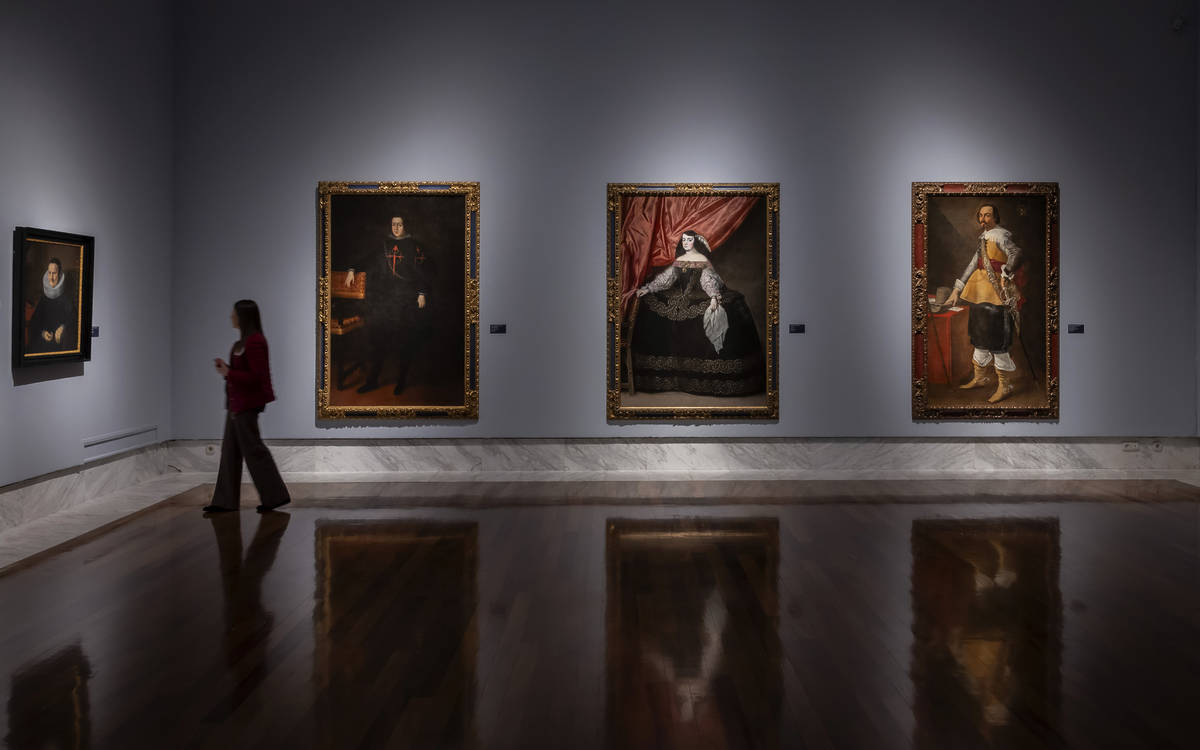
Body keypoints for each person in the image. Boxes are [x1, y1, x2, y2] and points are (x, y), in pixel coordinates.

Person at [631, 230, 765, 396]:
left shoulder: (702, 259)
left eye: (689, 240)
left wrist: (714, 297)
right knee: (649, 302)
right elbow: (667, 279)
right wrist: (649, 288)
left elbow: (707, 280)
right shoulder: (680, 260)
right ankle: (670, 373)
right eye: (684, 240)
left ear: (695, 242)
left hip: (699, 294)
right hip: (679, 296)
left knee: (726, 307)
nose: (686, 243)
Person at [203, 299, 291, 514]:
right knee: (230, 452)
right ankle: (225, 501)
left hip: (246, 405)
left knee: (254, 451)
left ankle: (275, 496)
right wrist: (227, 371)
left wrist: (229, 373)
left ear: (243, 317)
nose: (231, 317)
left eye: (234, 314)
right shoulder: (241, 343)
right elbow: (244, 373)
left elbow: (257, 377)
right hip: (236, 404)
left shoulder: (255, 342)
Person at [946, 204, 1024, 403]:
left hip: (997, 292)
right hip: (978, 291)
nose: (983, 219)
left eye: (987, 215)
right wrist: (957, 289)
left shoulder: (1001, 236)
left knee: (998, 339)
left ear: (995, 217)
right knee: (979, 334)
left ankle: (1005, 385)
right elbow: (973, 264)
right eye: (980, 215)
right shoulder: (982, 239)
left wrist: (1006, 273)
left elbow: (1016, 253)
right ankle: (980, 377)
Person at [348, 215, 432, 395]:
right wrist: (352, 269)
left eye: (399, 224)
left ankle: (401, 381)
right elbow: (367, 258)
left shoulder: (414, 246)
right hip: (385, 300)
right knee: (379, 341)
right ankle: (372, 381)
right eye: (393, 224)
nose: (396, 227)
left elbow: (423, 271)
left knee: (404, 342)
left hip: (406, 300)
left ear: (405, 226)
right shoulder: (384, 245)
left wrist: (422, 293)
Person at [27, 257, 75, 353]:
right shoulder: (43, 298)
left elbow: (73, 319)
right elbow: (34, 323)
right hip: (42, 347)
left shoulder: (65, 299)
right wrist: (43, 333)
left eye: (54, 273)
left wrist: (63, 328)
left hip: (59, 348)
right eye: (50, 273)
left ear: (60, 274)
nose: (51, 278)